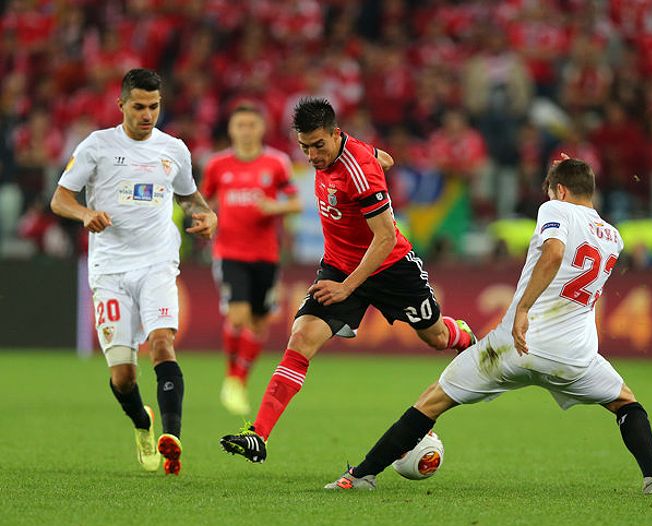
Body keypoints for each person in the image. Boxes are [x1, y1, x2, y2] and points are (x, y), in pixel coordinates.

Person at [324, 157, 652, 496]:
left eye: (552, 190)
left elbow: (553, 253)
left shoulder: (555, 208)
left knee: (433, 400)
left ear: (560, 192)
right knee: (626, 403)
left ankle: (360, 476)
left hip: (515, 346)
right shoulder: (613, 236)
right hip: (574, 357)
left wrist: (523, 309)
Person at [219, 97, 476, 463]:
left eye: (319, 146)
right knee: (302, 337)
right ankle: (258, 434)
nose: (312, 156)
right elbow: (384, 156)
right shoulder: (340, 150)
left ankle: (463, 335)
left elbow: (385, 236)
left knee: (434, 337)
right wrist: (376, 157)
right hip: (340, 266)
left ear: (336, 134)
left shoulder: (358, 172)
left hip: (390, 267)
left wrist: (347, 287)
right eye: (305, 147)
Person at [50, 68, 217, 476]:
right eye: (139, 106)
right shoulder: (97, 147)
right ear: (121, 104)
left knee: (162, 343)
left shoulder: (174, 150)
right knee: (124, 376)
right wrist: (85, 213)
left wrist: (206, 214)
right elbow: (60, 199)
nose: (147, 114)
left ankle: (173, 438)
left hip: (158, 262)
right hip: (109, 270)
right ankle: (143, 424)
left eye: (154, 106)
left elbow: (189, 196)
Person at [202, 103, 302, 415]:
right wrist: (205, 219)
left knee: (258, 323)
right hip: (230, 253)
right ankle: (232, 379)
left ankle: (240, 380)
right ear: (231, 130)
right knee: (237, 316)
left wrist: (275, 208)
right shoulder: (217, 165)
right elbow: (203, 203)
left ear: (262, 129)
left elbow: (295, 202)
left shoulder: (277, 163)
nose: (246, 130)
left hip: (266, 254)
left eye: (251, 125)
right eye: (240, 125)